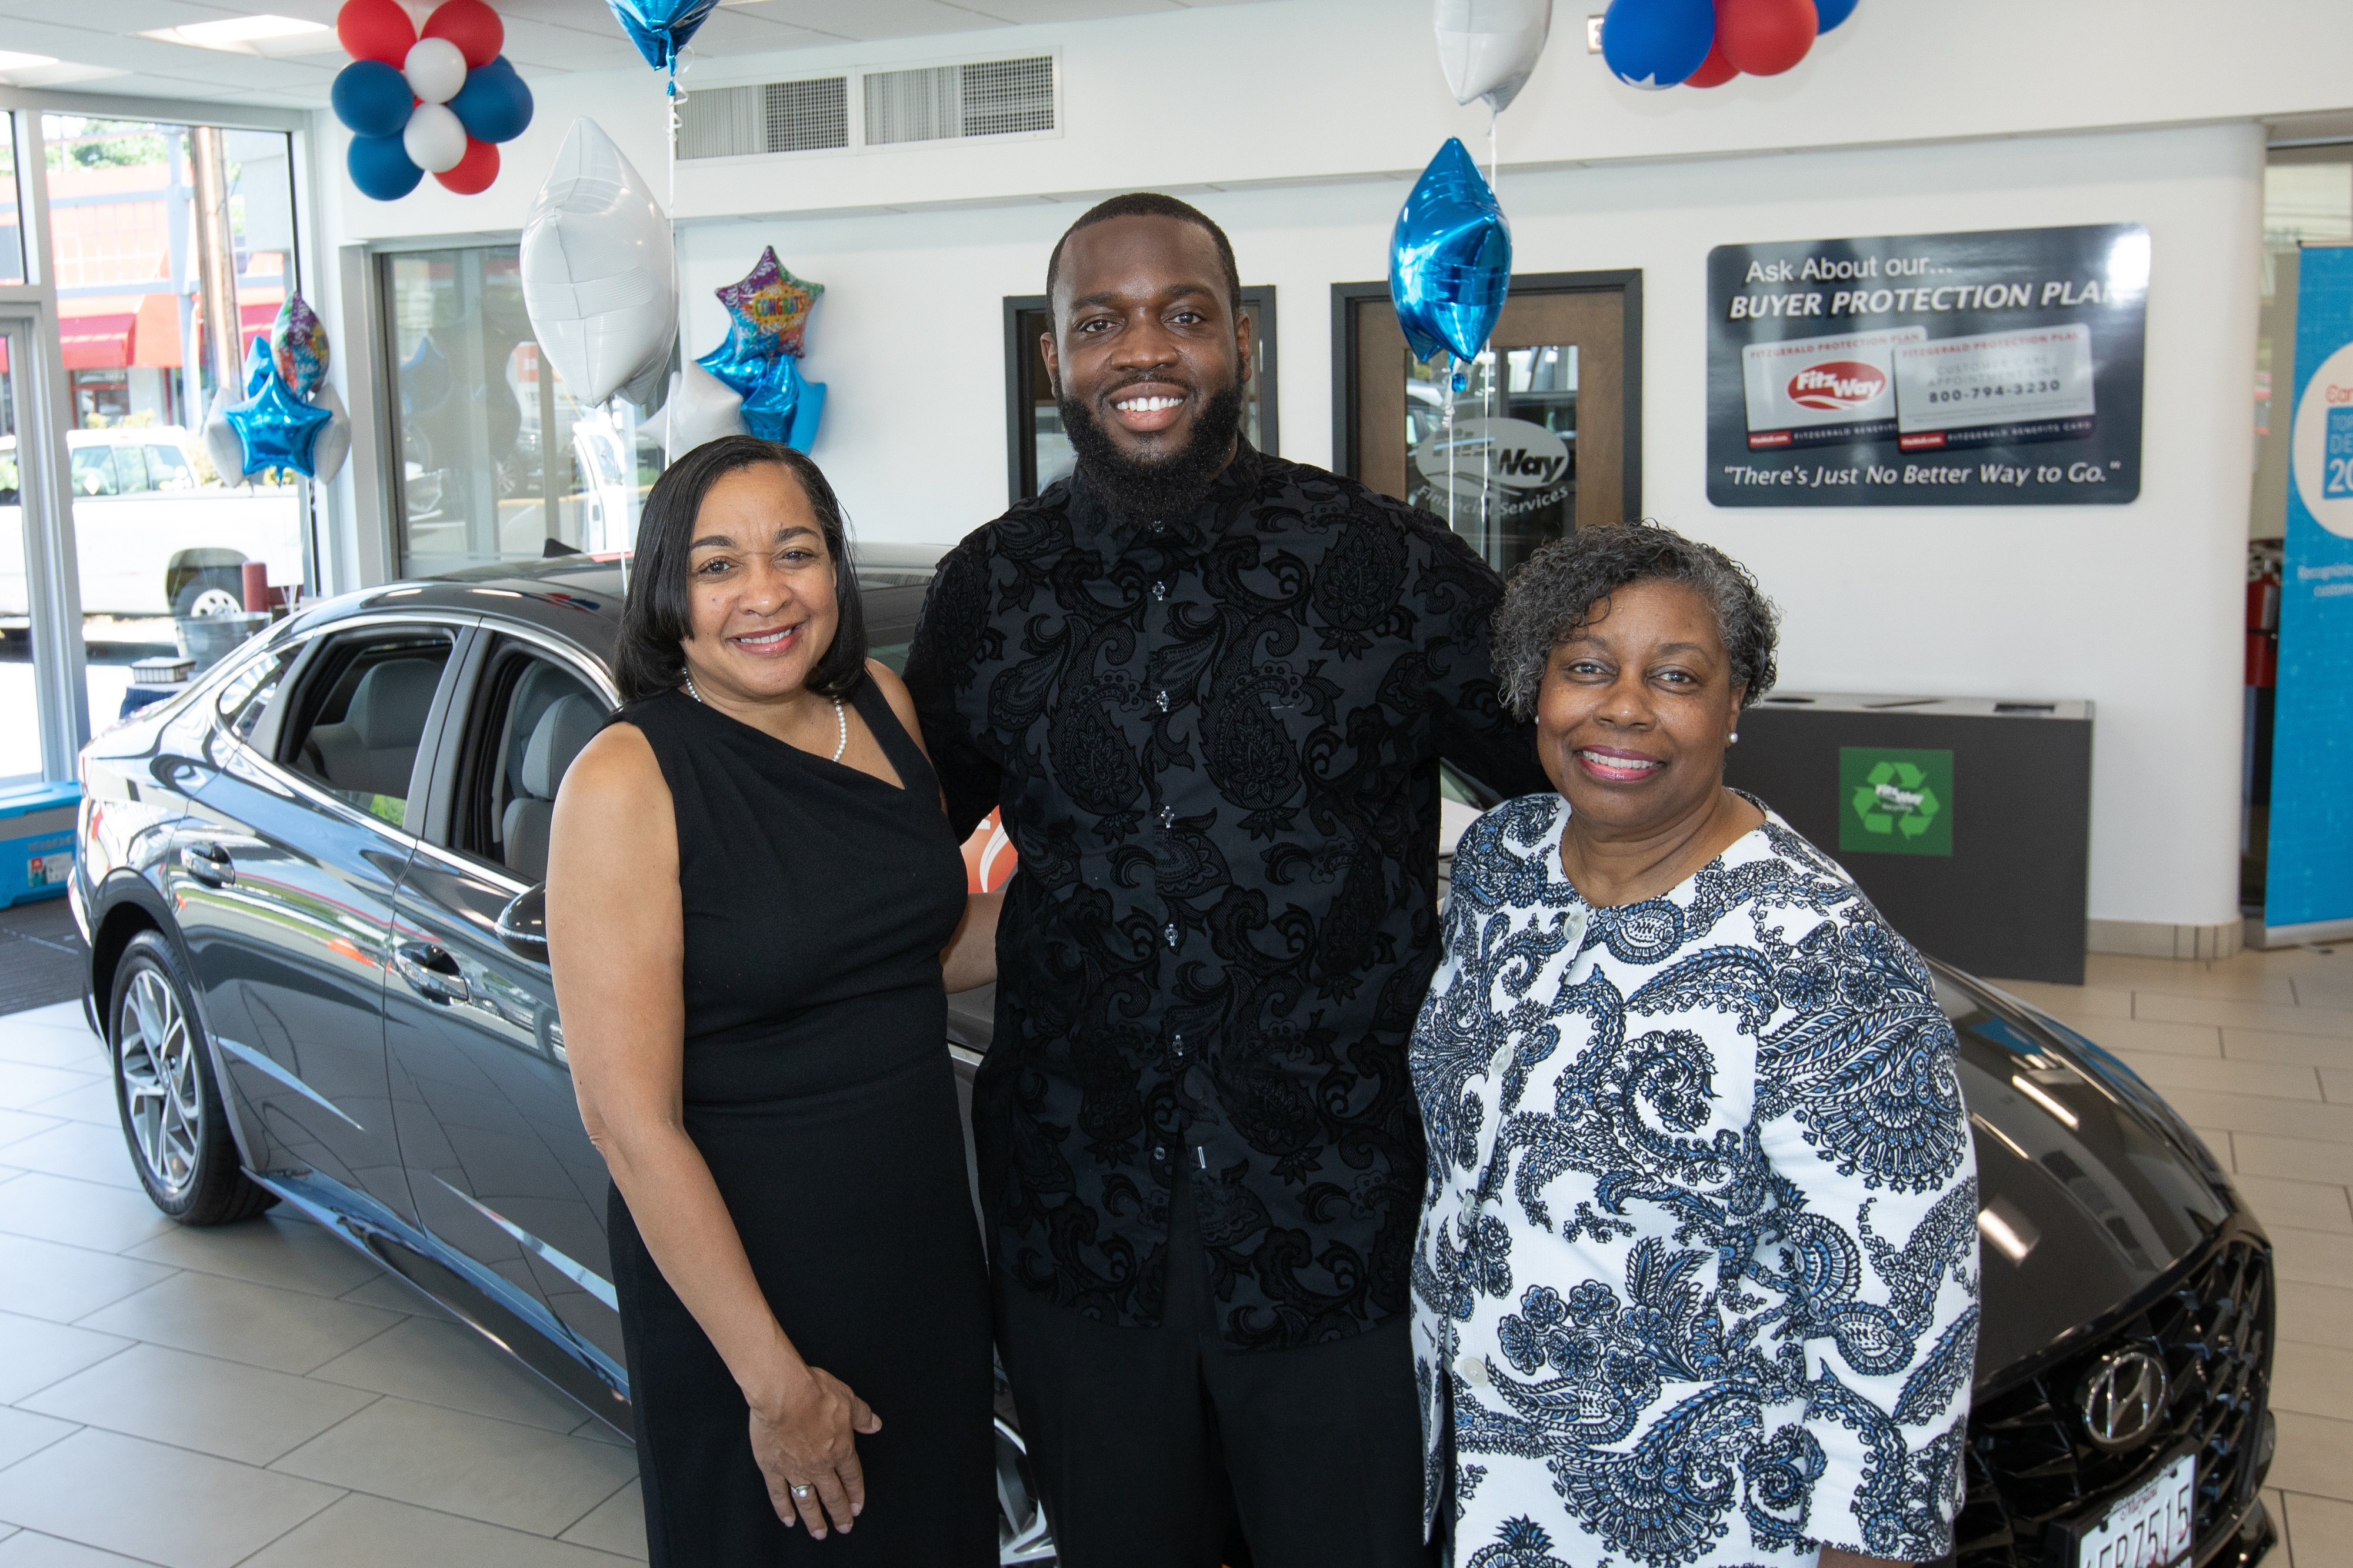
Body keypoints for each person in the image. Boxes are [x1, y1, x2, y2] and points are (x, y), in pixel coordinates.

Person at [903, 191, 1552, 1568]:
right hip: (1081, 1224)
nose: (1145, 350)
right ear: (1053, 360)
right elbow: (890, 849)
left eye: (1182, 315)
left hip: (1348, 1223)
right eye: (1102, 322)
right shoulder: (986, 592)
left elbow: (1569, 792)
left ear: (1240, 341)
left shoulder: (1389, 567)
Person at [1411, 522, 1979, 1567]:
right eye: (1586, 667)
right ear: (1536, 691)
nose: (1623, 706)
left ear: (1734, 706)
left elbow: (1902, 1312)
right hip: (1476, 1477)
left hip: (1700, 1519)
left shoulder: (1822, 955)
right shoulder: (1506, 862)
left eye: (1675, 675)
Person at [547, 436, 1002, 1566]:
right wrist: (773, 1378)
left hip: (919, 1255)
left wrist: (1120, 888)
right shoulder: (628, 776)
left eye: (795, 551)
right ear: (669, 592)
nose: (764, 592)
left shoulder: (882, 707)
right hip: (744, 1292)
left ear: (833, 574)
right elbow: (626, 1121)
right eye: (717, 565)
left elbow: (906, 953)